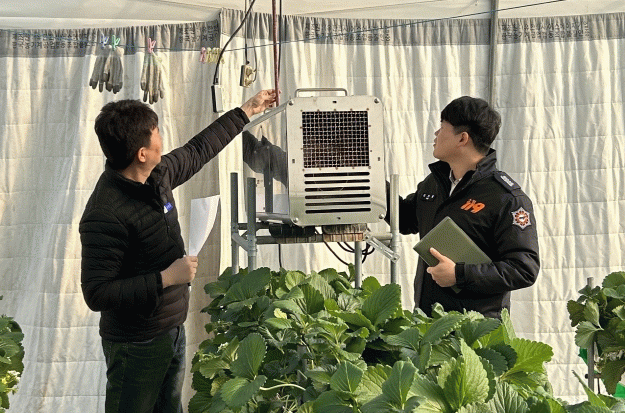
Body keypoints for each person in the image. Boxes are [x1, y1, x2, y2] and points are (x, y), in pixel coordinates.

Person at [79, 89, 277, 413]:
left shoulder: (156, 176)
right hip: (136, 344)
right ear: (142, 153)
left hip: (171, 329)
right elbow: (97, 293)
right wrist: (167, 278)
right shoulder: (105, 213)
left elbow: (198, 149)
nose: (162, 137)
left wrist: (247, 110)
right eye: (156, 132)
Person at [391, 96, 539, 318]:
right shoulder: (435, 182)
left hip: (475, 329)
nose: (436, 134)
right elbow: (405, 219)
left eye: (442, 127)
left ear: (462, 138)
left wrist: (459, 275)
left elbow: (523, 269)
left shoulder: (505, 198)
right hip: (428, 323)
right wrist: (370, 180)